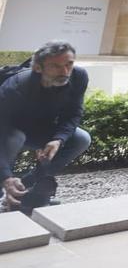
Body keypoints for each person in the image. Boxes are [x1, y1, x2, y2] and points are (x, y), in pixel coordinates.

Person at [0, 40, 91, 214]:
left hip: (39, 129)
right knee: (14, 140)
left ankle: (23, 189)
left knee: (81, 139)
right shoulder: (15, 87)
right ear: (38, 68)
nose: (65, 71)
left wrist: (58, 139)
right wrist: (6, 176)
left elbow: (73, 114)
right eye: (55, 66)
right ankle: (4, 190)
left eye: (69, 64)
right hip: (8, 132)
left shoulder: (78, 76)